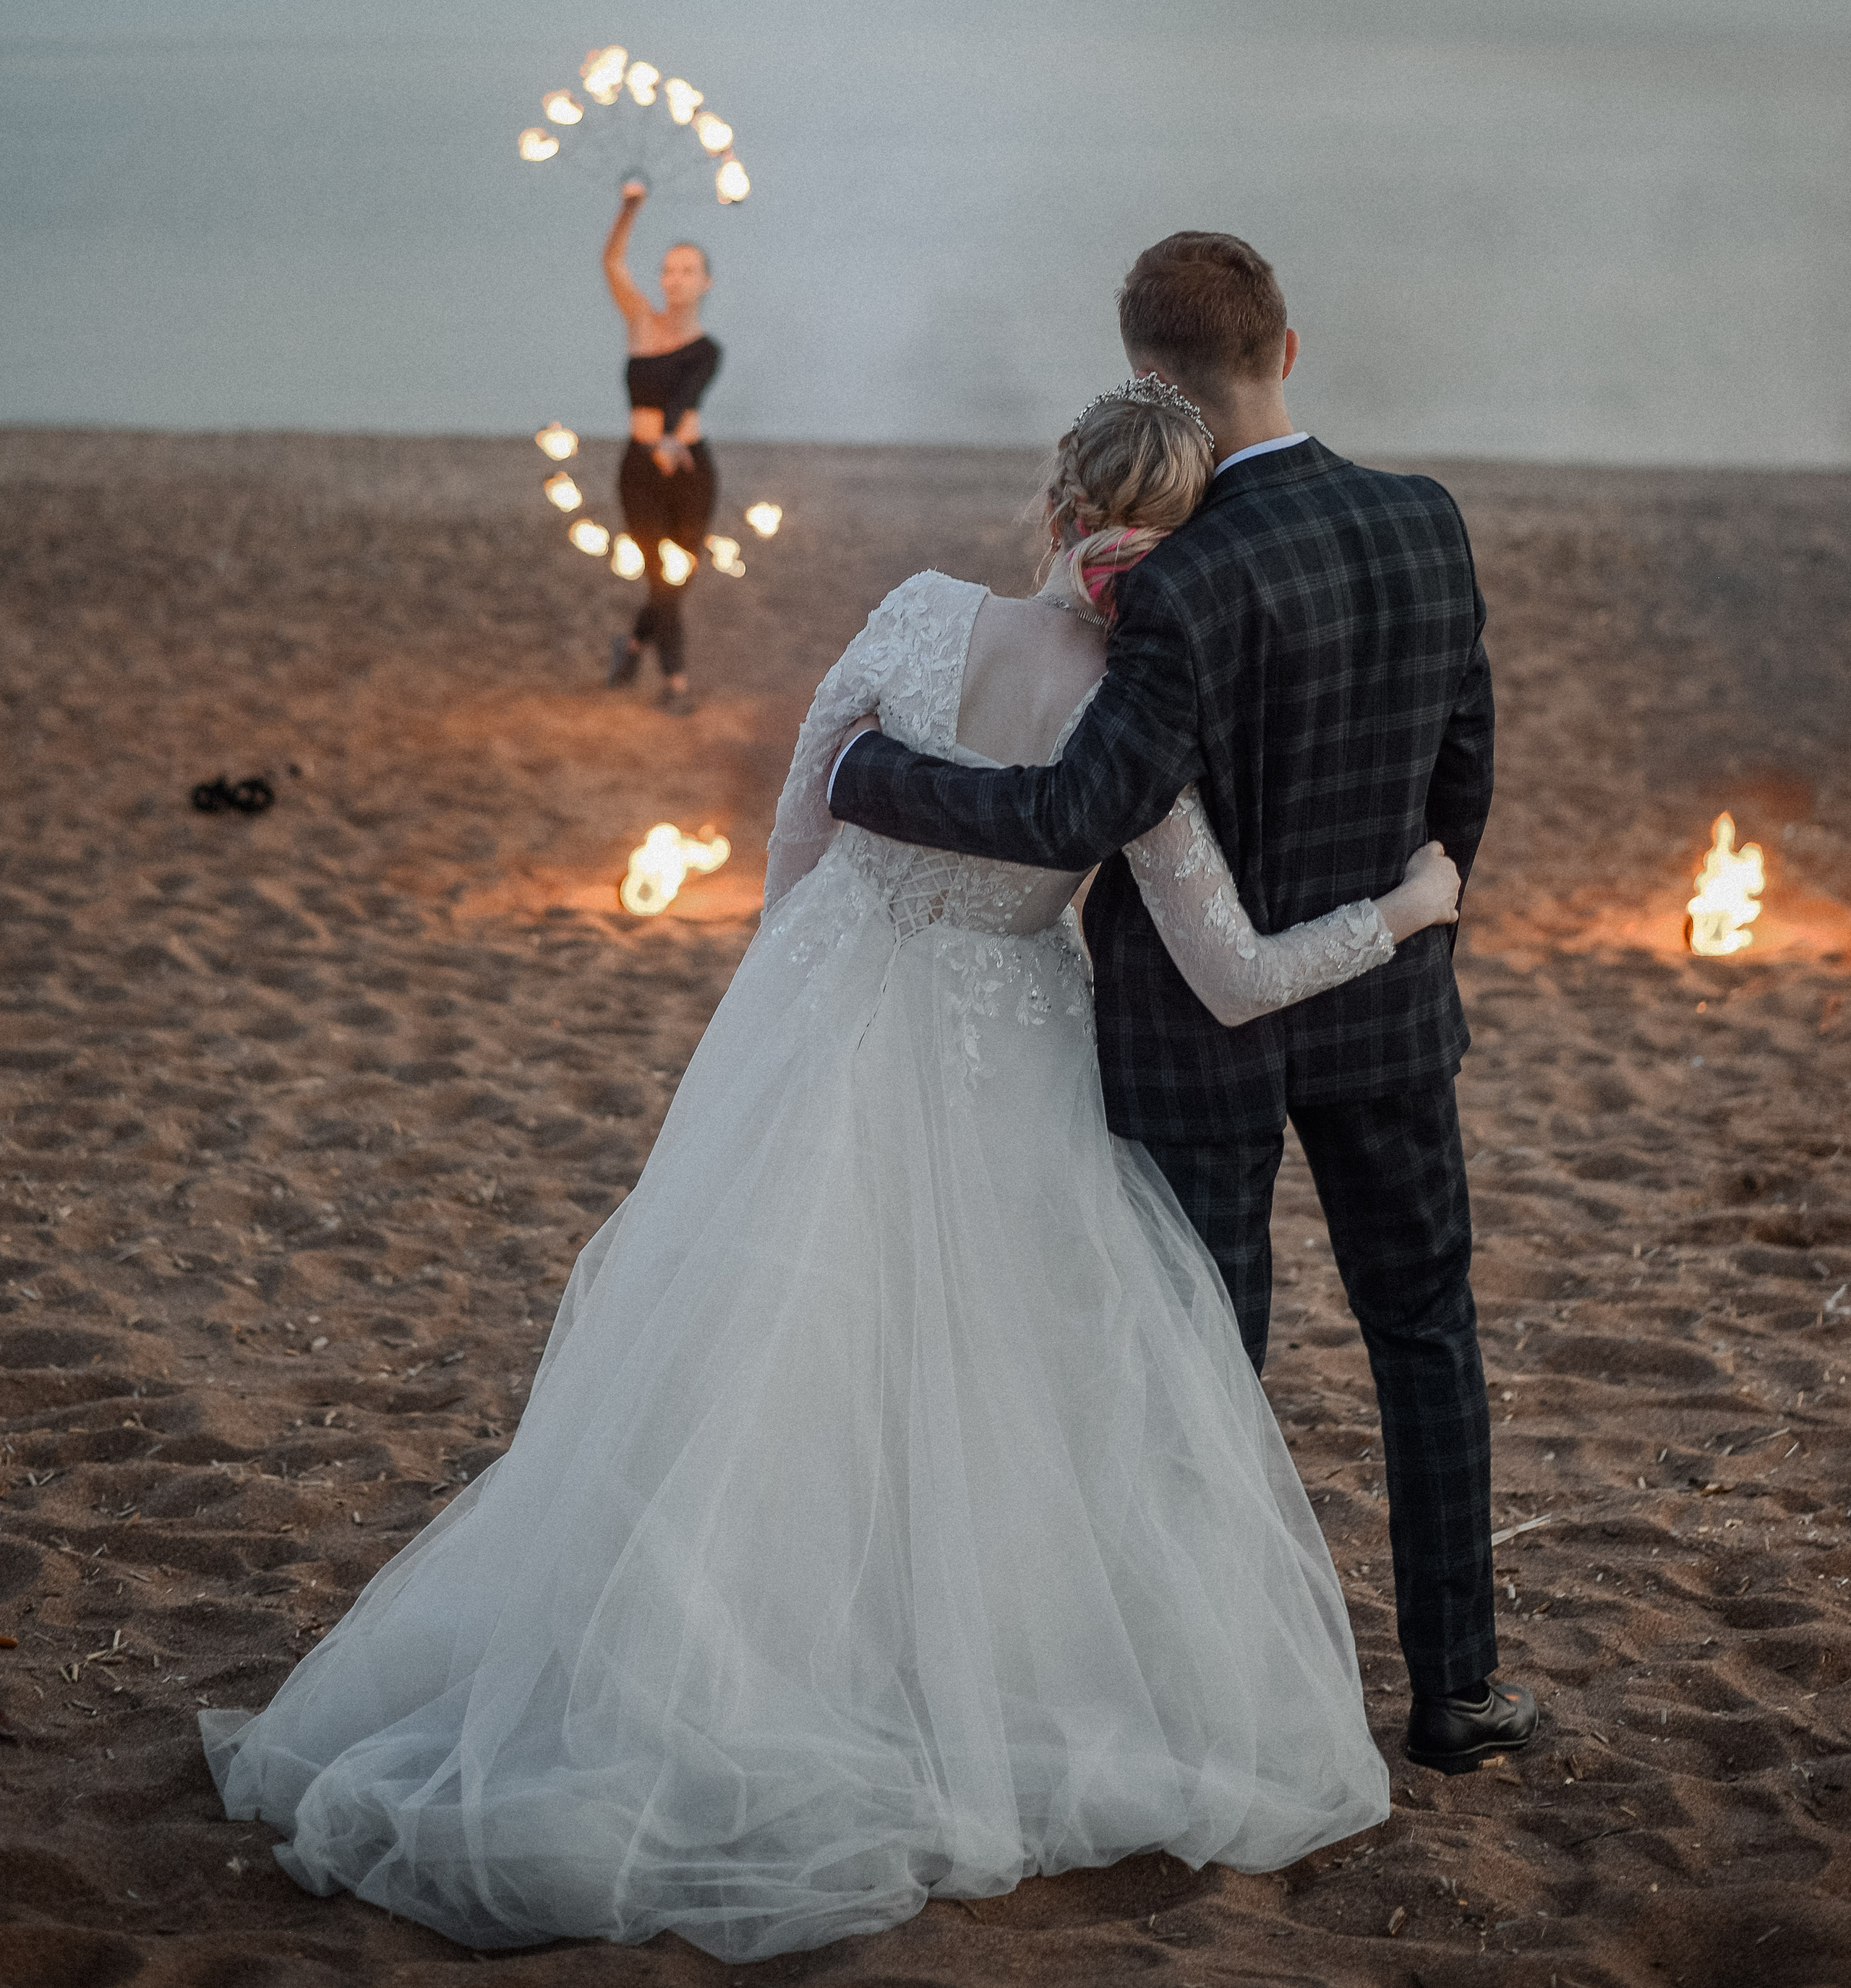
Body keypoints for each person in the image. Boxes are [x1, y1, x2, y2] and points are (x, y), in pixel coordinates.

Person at [200, 383, 1465, 1961]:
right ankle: (945, 1676)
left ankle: (712, 1658)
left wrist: (785, 1008)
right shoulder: (1144, 719)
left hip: (827, 1015)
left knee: (755, 1357)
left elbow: (797, 827)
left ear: (1056, 502)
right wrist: (1406, 909)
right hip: (1006, 1060)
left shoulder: (917, 613)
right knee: (996, 1380)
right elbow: (1234, 975)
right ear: (1178, 545)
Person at [829, 232, 1535, 1781]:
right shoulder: (1424, 519)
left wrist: (871, 775)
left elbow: (1076, 810)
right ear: (1289, 346)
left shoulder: (1179, 576)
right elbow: (1463, 770)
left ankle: (1201, 1702)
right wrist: (1413, 915)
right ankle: (1460, 1689)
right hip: (1386, 1014)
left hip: (1189, 1035)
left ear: (1149, 378)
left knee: (1200, 1365)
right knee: (1424, 1329)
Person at [602, 178, 720, 712]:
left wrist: (672, 439)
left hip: (692, 470)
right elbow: (612, 263)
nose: (676, 278)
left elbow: (685, 396)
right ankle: (676, 682)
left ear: (706, 283)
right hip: (641, 470)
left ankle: (631, 646)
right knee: (658, 570)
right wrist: (629, 209)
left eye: (688, 270)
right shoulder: (641, 324)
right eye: (669, 270)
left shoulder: (708, 350)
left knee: (681, 573)